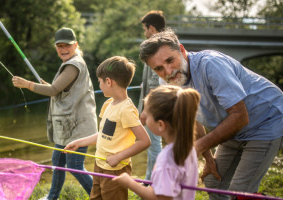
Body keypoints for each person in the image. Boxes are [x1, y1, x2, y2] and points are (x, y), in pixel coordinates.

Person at [139, 29, 283, 200]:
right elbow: (193, 122)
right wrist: (208, 158)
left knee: (239, 191)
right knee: (213, 181)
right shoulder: (167, 81)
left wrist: (196, 148)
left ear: (182, 50)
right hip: (232, 128)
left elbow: (239, 116)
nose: (168, 71)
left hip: (265, 120)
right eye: (159, 68)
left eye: (170, 60)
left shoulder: (211, 64)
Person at [12, 27, 97, 200]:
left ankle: (98, 196)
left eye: (67, 45)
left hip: (78, 125)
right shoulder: (71, 61)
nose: (63, 49)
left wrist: (27, 84)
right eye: (60, 46)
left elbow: (53, 90)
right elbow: (60, 89)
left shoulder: (74, 64)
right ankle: (52, 197)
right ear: (55, 46)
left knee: (74, 165)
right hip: (69, 125)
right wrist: (49, 85)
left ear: (76, 45)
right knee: (58, 161)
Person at [64, 56, 151, 200]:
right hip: (100, 165)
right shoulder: (108, 104)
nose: (99, 85)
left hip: (115, 171)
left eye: (100, 82)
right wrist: (79, 142)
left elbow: (144, 141)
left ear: (109, 82)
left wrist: (118, 157)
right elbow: (103, 135)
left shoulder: (126, 110)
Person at [113, 85, 200, 200]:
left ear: (160, 125)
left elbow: (159, 198)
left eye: (147, 115)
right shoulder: (189, 149)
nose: (143, 117)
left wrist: (129, 182)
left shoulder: (167, 158)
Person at [138, 10, 165, 183]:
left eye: (145, 29)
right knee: (155, 144)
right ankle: (153, 180)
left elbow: (156, 84)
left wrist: (147, 110)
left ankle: (151, 182)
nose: (145, 33)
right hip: (159, 105)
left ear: (152, 28)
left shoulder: (157, 48)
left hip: (156, 107)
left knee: (153, 145)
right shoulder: (162, 45)